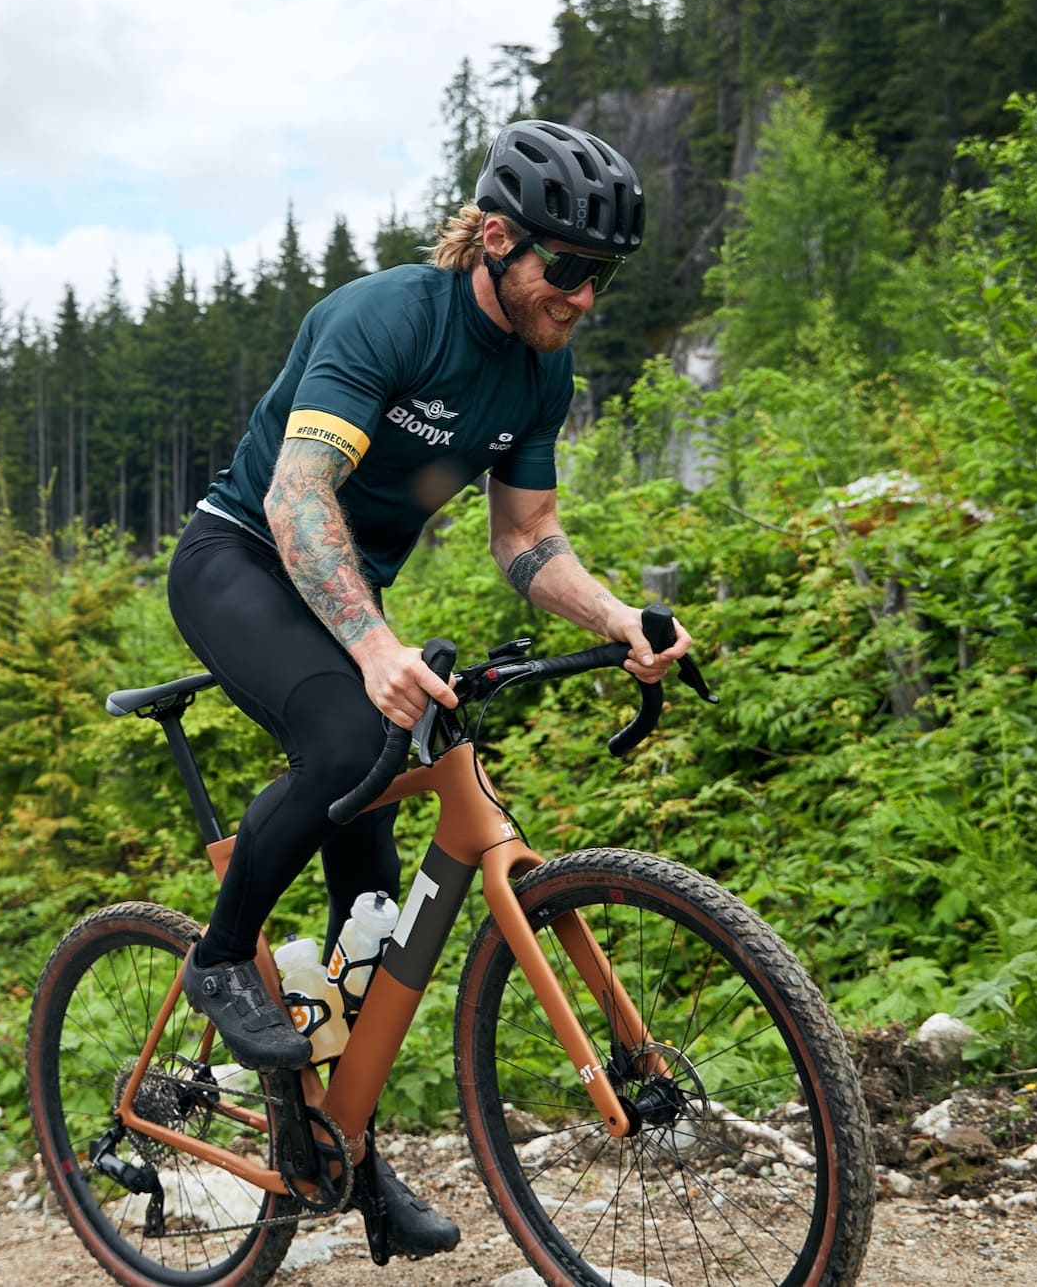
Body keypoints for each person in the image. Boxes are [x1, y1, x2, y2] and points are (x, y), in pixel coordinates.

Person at [165, 120, 694, 1257]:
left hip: (345, 593)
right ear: (495, 238)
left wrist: (614, 618)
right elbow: (297, 502)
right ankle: (219, 957)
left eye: (601, 278)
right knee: (356, 729)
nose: (584, 298)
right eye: (566, 270)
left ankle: (343, 1163)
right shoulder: (387, 317)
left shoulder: (540, 365)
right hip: (238, 564)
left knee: (373, 902)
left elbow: (526, 539)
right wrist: (368, 643)